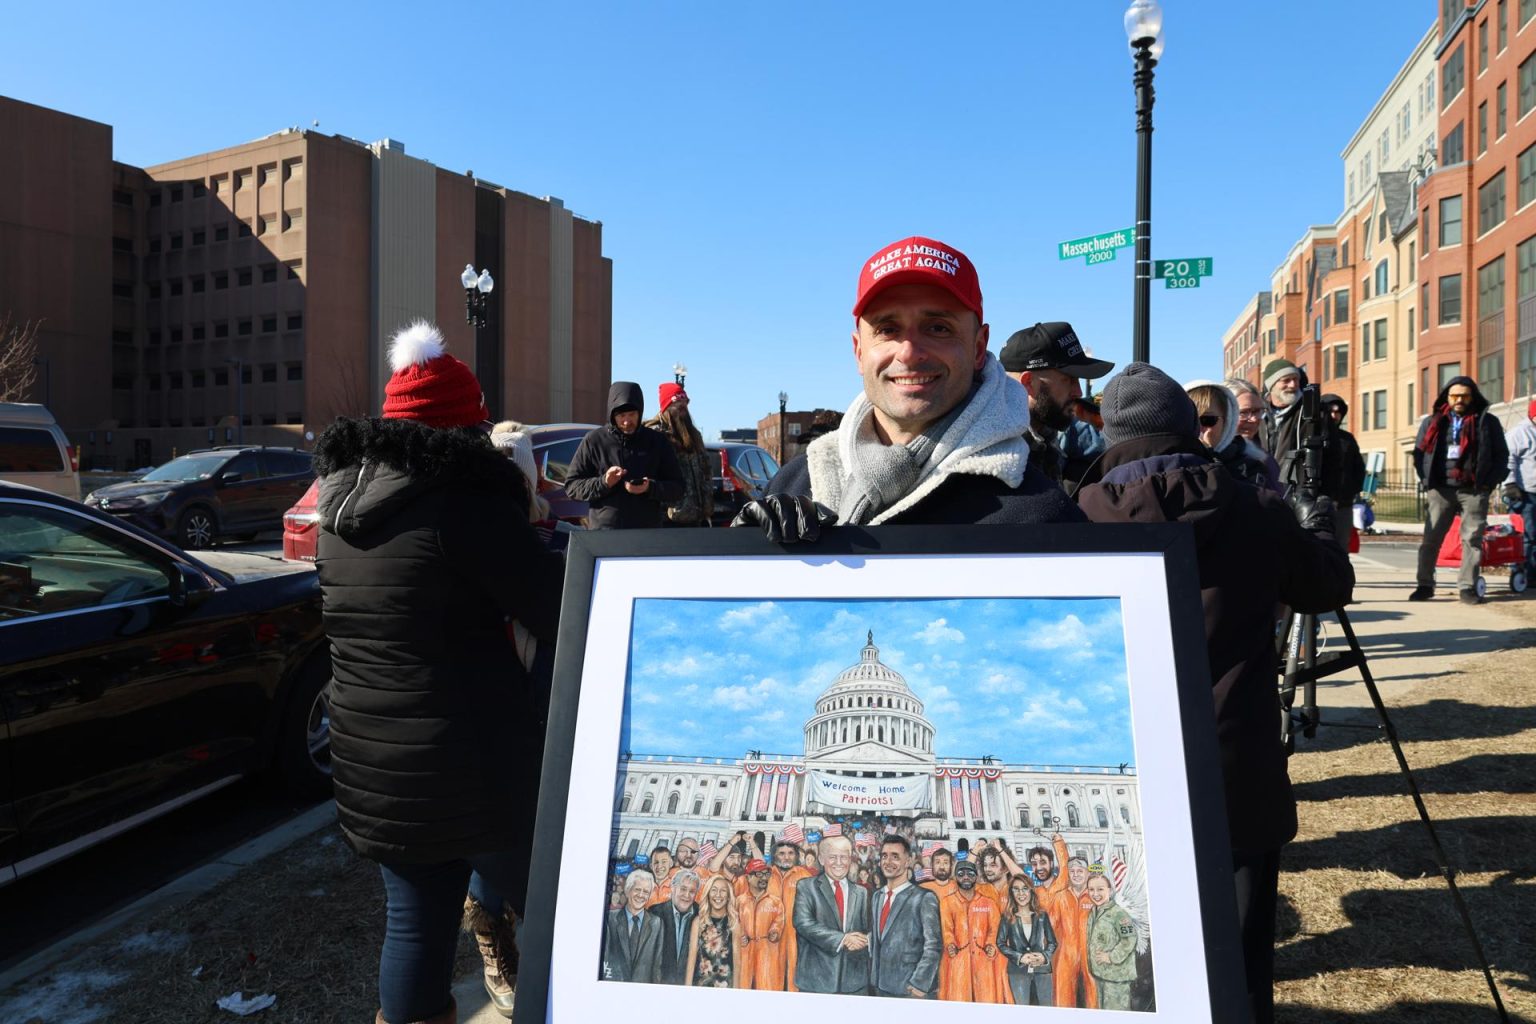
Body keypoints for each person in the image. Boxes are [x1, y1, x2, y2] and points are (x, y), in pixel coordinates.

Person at [1075, 362, 1354, 1023]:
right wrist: (1317, 528)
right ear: (1186, 425)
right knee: (1238, 961)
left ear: (1110, 434)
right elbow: (1325, 585)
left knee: (1130, 962)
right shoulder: (1252, 505)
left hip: (1123, 779)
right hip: (1235, 766)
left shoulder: (1071, 515)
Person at [313, 321, 564, 1024]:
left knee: (415, 918)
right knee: (544, 902)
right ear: (461, 429)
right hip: (467, 753)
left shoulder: (336, 506)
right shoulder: (463, 502)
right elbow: (549, 605)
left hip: (370, 755)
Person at [733, 235, 1084, 541]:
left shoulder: (1041, 516)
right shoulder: (796, 483)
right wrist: (744, 556)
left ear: (978, 348)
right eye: (887, 329)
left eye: (938, 328)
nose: (909, 352)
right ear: (859, 351)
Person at [1410, 376, 1511, 603]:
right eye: (1454, 395)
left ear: (1472, 396)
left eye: (1464, 396)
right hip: (1440, 490)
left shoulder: (1487, 422)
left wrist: (1488, 484)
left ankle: (1467, 587)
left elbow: (1501, 456)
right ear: (1447, 397)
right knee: (1431, 540)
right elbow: (1419, 454)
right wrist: (1427, 482)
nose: (1459, 400)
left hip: (1474, 490)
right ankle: (1424, 585)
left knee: (1472, 539)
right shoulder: (1433, 422)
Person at [999, 321, 1116, 488]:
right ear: (1028, 383)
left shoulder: (1046, 437)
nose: (1079, 392)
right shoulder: (991, 454)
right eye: (1068, 379)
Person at [563, 381, 684, 529]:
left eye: (632, 414)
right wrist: (604, 482)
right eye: (621, 415)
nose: (627, 421)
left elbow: (678, 487)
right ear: (612, 415)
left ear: (640, 412)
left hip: (647, 535)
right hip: (605, 535)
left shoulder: (657, 441)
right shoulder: (594, 440)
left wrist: (650, 488)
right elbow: (572, 487)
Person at [791, 834, 870, 994]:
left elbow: (870, 928)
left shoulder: (861, 892)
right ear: (821, 859)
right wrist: (843, 939)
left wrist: (867, 939)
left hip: (855, 982)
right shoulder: (806, 887)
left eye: (844, 857)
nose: (839, 863)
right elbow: (803, 923)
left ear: (850, 859)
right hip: (816, 981)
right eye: (833, 857)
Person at [868, 834, 943, 998]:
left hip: (911, 990)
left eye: (895, 857)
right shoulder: (877, 896)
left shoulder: (924, 897)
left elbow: (934, 946)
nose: (888, 862)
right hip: (879, 987)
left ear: (908, 861)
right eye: (884, 856)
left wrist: (920, 983)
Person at [938, 858, 1010, 1003]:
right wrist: (950, 944)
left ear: (976, 877)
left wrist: (991, 945)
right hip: (958, 961)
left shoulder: (988, 903)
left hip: (983, 961)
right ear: (955, 877)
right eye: (961, 874)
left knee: (986, 1001)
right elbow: (947, 929)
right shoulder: (947, 902)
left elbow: (995, 929)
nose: (965, 877)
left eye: (970, 874)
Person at [646, 381, 714, 527]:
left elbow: (706, 471)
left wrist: (707, 506)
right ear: (666, 406)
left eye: (685, 401)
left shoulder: (694, 435)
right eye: (678, 401)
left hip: (696, 518)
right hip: (667, 519)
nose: (683, 406)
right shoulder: (655, 435)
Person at [997, 874, 1057, 1007]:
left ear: (1031, 890)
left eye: (1025, 888)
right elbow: (1000, 943)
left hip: (1042, 971)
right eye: (1016, 889)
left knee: (1046, 1009)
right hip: (1018, 972)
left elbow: (1053, 942)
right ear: (1011, 893)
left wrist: (1044, 956)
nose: (1021, 893)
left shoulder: (1042, 916)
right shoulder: (1007, 917)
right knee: (1022, 1010)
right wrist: (1019, 957)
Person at [1319, 394, 1367, 549]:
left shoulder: (1347, 439)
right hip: (1318, 505)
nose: (1334, 415)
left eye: (1337, 412)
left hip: (1343, 506)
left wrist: (1350, 494)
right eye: (1329, 411)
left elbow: (1358, 468)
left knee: (1340, 549)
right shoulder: (1313, 436)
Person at [1085, 874, 1138, 1010]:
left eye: (1100, 889)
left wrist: (1111, 957)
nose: (1095, 894)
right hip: (1100, 975)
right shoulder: (1093, 912)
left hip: (1116, 979)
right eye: (1091, 889)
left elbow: (1130, 939)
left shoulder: (1119, 914)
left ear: (1110, 890)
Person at [1221, 378, 1283, 492]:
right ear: (1224, 413)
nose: (1254, 419)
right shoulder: (1215, 462)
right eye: (1244, 412)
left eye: (1257, 411)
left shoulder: (1264, 456)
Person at [734, 859, 787, 990]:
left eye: (766, 874)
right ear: (748, 877)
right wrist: (739, 936)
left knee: (766, 987)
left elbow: (779, 921)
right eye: (759, 874)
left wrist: (775, 932)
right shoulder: (739, 901)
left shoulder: (775, 902)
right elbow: (734, 923)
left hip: (767, 953)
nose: (764, 878)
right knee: (743, 987)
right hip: (744, 953)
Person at [604, 869, 663, 983]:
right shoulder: (610, 919)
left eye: (646, 892)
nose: (641, 895)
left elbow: (657, 967)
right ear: (627, 891)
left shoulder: (657, 923)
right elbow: (605, 961)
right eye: (637, 889)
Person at [685, 875, 744, 988]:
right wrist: (687, 989)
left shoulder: (734, 924)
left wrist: (736, 992)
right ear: (708, 894)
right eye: (714, 890)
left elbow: (737, 964)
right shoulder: (698, 922)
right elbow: (691, 961)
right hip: (701, 985)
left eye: (723, 891)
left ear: (728, 896)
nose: (718, 895)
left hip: (725, 985)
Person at [649, 869, 700, 985]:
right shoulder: (654, 913)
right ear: (672, 888)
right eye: (683, 889)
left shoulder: (702, 915)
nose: (687, 895)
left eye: (692, 891)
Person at [1505, 399, 1536, 573]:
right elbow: (1508, 459)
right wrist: (1510, 484)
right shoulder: (1519, 433)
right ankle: (1523, 573)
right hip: (1524, 494)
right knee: (1526, 535)